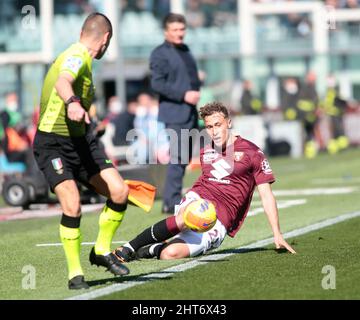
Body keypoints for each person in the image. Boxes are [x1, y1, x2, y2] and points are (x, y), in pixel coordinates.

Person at [113, 102, 296, 263]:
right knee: (187, 217)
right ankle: (128, 248)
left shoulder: (252, 153)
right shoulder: (206, 151)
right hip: (199, 198)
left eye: (218, 125)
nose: (214, 132)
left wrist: (277, 233)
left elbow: (266, 195)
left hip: (222, 217)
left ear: (229, 123)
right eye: (209, 127)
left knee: (169, 254)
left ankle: (152, 249)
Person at [32, 13, 130, 290]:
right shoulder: (78, 54)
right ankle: (75, 275)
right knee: (72, 205)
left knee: (119, 191)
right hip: (53, 143)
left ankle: (100, 250)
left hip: (81, 142)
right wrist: (73, 102)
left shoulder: (81, 57)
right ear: (106, 38)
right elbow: (64, 81)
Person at [150, 13, 201, 214]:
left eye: (182, 29)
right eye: (175, 30)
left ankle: (174, 197)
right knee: (178, 157)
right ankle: (170, 202)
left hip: (189, 112)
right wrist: (184, 94)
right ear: (166, 31)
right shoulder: (159, 54)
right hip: (175, 112)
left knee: (184, 158)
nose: (180, 33)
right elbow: (157, 83)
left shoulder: (185, 49)